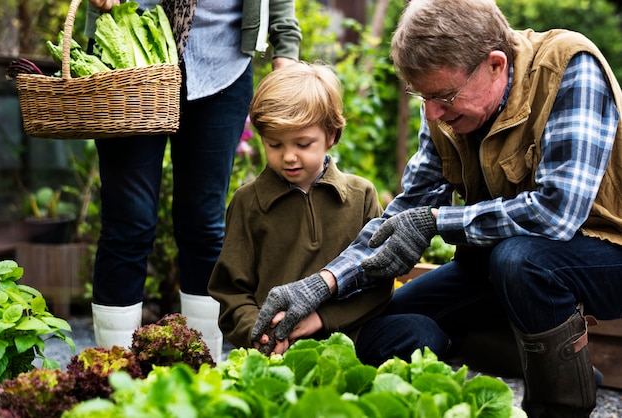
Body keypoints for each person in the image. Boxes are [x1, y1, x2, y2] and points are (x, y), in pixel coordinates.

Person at [251, 0, 622, 416]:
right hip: (503, 263)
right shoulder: (445, 111)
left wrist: (436, 221)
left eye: (444, 96)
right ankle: (551, 364)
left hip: (607, 253)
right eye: (423, 97)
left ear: (495, 65)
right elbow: (405, 213)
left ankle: (560, 405)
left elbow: (556, 213)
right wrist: (323, 285)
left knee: (519, 260)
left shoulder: (570, 66)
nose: (433, 114)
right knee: (394, 317)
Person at [85, 0, 301, 364]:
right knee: (128, 223)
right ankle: (114, 377)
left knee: (204, 224)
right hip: (128, 53)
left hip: (223, 60)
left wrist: (287, 50)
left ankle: (201, 373)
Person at [207, 62, 447, 360]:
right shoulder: (247, 203)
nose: (289, 156)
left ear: (331, 136)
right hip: (281, 347)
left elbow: (379, 282)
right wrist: (263, 335)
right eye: (275, 144)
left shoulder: (361, 195)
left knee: (422, 332)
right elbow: (232, 292)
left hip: (353, 338)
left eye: (303, 144)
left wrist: (321, 320)